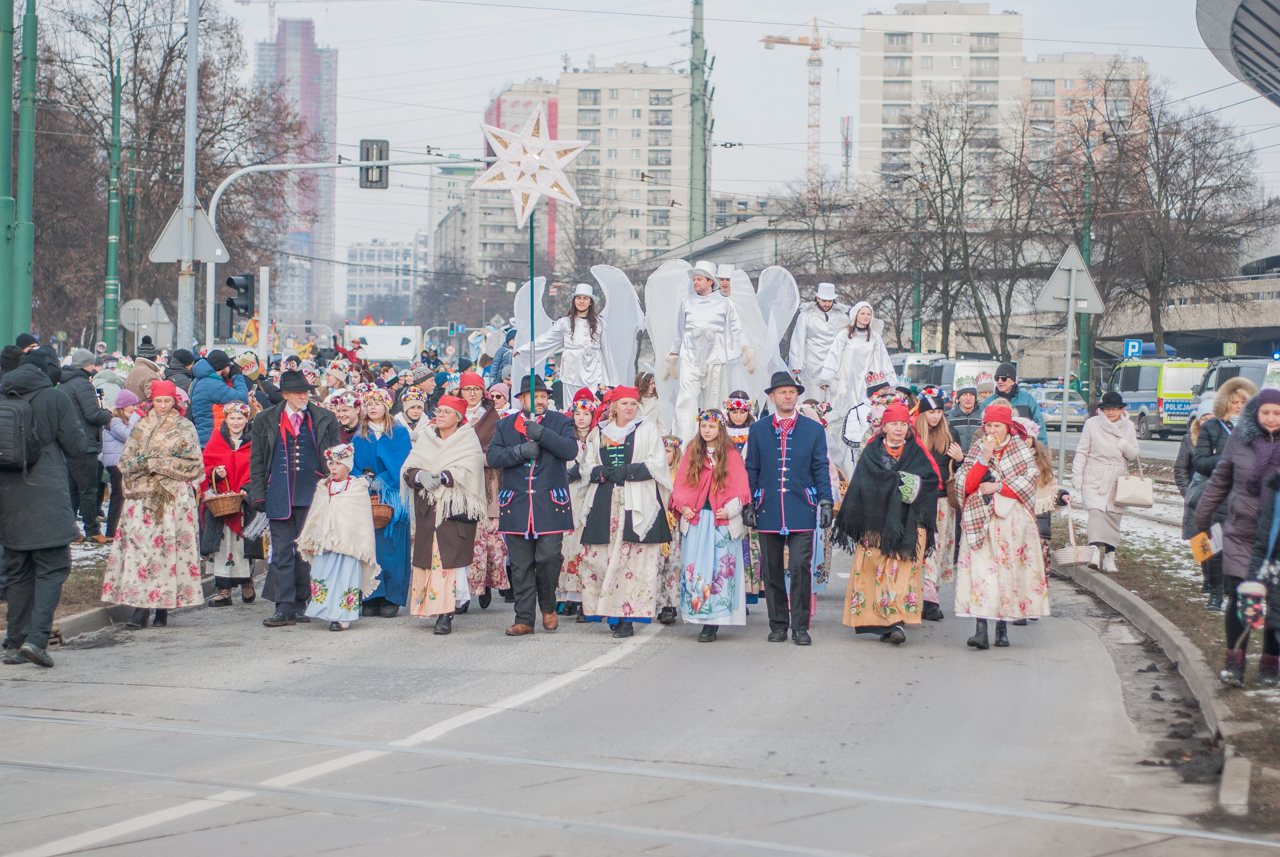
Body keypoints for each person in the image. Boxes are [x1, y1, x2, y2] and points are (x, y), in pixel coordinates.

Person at [0, 353, 92, 668]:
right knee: (52, 569)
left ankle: (13, 644)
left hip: (9, 500)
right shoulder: (54, 398)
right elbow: (78, 447)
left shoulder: (2, 397)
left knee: (18, 573)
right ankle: (36, 641)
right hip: (48, 497)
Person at [831, 401, 937, 646]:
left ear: (908, 428)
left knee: (900, 573)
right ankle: (881, 622)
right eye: (893, 424)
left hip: (907, 524)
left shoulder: (916, 452)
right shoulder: (871, 452)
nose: (899, 429)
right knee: (874, 572)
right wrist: (893, 482)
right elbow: (862, 485)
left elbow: (930, 481)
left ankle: (896, 621)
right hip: (875, 524)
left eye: (903, 424)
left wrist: (908, 483)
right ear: (884, 427)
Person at [101, 380, 205, 630]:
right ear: (151, 402)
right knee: (143, 552)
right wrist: (146, 465)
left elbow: (195, 465)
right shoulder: (141, 426)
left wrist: (160, 465)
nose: (162, 406)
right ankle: (141, 608)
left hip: (173, 498)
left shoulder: (184, 427)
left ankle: (162, 607)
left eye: (167, 401)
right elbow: (125, 463)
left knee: (168, 552)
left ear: (174, 402)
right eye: (158, 401)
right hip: (142, 498)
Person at [1196, 387, 1280, 686]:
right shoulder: (1239, 440)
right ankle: (1235, 662)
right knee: (1240, 596)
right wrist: (1202, 517)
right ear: (1256, 413)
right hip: (1241, 534)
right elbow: (1220, 480)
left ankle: (1271, 663)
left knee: (1275, 602)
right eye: (1266, 412)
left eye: (1277, 413)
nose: (1271, 419)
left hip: (1275, 540)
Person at [486, 374, 579, 636]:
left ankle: (548, 607)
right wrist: (518, 453)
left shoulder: (561, 422)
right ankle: (524, 618)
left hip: (550, 504)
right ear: (521, 399)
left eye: (543, 396)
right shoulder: (505, 426)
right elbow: (493, 457)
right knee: (521, 564)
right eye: (535, 396)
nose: (540, 401)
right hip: (516, 504)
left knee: (549, 557)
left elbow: (570, 451)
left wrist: (543, 435)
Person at [576, 386, 672, 638]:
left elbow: (657, 463)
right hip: (605, 500)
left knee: (631, 561)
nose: (629, 408)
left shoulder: (647, 428)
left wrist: (628, 471)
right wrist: (599, 473)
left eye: (633, 403)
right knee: (600, 557)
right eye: (624, 403)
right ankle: (610, 611)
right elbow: (587, 464)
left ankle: (627, 618)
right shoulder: (599, 431)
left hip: (636, 499)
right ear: (614, 406)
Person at [746, 372, 834, 646]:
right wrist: (749, 502)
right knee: (771, 570)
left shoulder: (813, 429)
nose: (787, 396)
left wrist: (826, 501)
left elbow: (820, 467)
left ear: (796, 396)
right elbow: (752, 468)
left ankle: (800, 626)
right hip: (768, 507)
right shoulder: (758, 428)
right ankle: (778, 625)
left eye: (791, 392)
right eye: (781, 392)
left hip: (801, 506)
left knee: (799, 568)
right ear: (771, 397)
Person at [249, 369, 342, 628]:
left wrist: (335, 488)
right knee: (280, 553)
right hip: (278, 494)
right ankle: (283, 607)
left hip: (313, 493)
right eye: (299, 393)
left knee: (307, 553)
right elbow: (256, 461)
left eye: (306, 392)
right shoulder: (265, 419)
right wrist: (258, 495)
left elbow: (336, 456)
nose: (304, 396)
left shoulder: (325, 417)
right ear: (286, 395)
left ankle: (303, 603)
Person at [953, 404, 1049, 649]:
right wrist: (984, 458)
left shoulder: (1020, 448)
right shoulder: (978, 447)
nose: (992, 430)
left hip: (1010, 520)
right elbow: (967, 483)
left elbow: (1029, 479)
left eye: (997, 425)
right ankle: (981, 631)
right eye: (988, 426)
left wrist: (999, 487)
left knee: (1007, 573)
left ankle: (1002, 630)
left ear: (1007, 426)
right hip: (980, 517)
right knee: (981, 573)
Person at [402, 394, 487, 634]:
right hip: (428, 511)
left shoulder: (467, 438)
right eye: (438, 411)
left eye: (446, 412)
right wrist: (421, 476)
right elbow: (409, 467)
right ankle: (430, 608)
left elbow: (471, 470)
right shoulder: (426, 438)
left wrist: (444, 476)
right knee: (428, 560)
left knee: (449, 562)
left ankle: (446, 614)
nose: (439, 415)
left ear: (458, 417)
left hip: (453, 512)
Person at [671, 410, 750, 640]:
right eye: (703, 426)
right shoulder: (692, 452)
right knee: (697, 566)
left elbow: (740, 488)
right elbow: (682, 484)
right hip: (697, 519)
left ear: (720, 428)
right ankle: (699, 615)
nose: (707, 430)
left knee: (719, 568)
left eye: (712, 427)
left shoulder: (731, 455)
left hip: (721, 520)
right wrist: (683, 506)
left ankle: (714, 622)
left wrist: (731, 509)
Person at [665, 260, 755, 441]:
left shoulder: (725, 303)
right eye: (694, 280)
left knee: (714, 403)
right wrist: (673, 355)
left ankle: (713, 445)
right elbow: (679, 332)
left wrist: (746, 348)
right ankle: (685, 447)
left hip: (716, 359)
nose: (695, 282)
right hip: (691, 359)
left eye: (699, 279)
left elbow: (737, 329)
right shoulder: (686, 303)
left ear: (709, 281)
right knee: (686, 402)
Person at [298, 444, 380, 631]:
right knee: (322, 575)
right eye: (331, 463)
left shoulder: (357, 488)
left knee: (344, 578)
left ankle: (342, 616)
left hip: (347, 545)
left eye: (338, 464)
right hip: (325, 545)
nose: (333, 468)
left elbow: (361, 521)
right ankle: (327, 611)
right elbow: (315, 516)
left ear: (348, 466)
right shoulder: (323, 487)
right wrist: (311, 539)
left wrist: (354, 542)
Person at [1193, 377, 1256, 610]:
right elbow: (1199, 462)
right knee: (1216, 547)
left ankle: (1238, 593)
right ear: (1225, 403)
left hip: (1247, 498)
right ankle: (1215, 593)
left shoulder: (1256, 430)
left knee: (1245, 549)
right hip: (1220, 496)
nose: (1239, 406)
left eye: (1243, 402)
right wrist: (1228, 458)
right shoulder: (1212, 426)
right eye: (1234, 402)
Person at [352, 388, 413, 618]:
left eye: (378, 402)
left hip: (393, 496)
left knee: (392, 545)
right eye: (369, 403)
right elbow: (352, 461)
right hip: (366, 496)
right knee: (370, 546)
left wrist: (384, 480)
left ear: (387, 406)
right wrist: (363, 478)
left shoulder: (398, 432)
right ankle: (370, 595)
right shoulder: (360, 434)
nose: (373, 407)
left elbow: (405, 462)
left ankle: (392, 597)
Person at [816, 301, 896, 473]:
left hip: (865, 385)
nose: (865, 317)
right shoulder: (844, 335)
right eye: (862, 313)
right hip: (845, 384)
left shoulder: (874, 337)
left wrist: (891, 382)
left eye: (868, 314)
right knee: (842, 423)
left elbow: (884, 359)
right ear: (855, 315)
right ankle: (837, 468)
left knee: (863, 421)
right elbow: (833, 356)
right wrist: (827, 378)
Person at [456, 371, 509, 608]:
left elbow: (499, 451)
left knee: (488, 539)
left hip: (488, 481)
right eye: (467, 389)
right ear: (460, 391)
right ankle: (463, 590)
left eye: (476, 389)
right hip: (459, 482)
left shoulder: (493, 416)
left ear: (482, 392)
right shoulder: (453, 414)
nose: (472, 393)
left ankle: (485, 583)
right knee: (463, 537)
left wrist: (478, 458)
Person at [1071, 391, 1140, 572]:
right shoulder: (1092, 424)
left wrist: (1126, 447)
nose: (1110, 413)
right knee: (1096, 513)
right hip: (1095, 474)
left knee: (1113, 516)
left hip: (1116, 477)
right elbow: (1082, 451)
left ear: (1121, 409)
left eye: (1115, 409)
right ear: (1102, 409)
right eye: (1107, 409)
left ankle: (1110, 554)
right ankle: (1094, 550)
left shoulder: (1129, 426)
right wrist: (1077, 475)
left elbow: (1134, 455)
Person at [521, 283, 620, 404]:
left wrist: (614, 382)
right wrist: (526, 350)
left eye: (585, 298)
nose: (581, 301)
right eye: (579, 298)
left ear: (590, 302)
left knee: (593, 406)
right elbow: (547, 339)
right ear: (574, 301)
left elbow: (608, 353)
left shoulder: (600, 325)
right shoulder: (565, 323)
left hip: (594, 372)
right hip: (572, 372)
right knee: (572, 406)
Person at [201, 401, 256, 607]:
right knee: (222, 545)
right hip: (221, 503)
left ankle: (246, 581)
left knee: (243, 544)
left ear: (246, 419)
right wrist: (215, 472)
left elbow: (257, 468)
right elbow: (206, 465)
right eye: (232, 418)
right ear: (225, 419)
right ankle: (223, 588)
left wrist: (248, 488)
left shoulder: (253, 442)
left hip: (243, 503)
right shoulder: (216, 440)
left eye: (240, 418)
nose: (236, 422)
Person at [915, 393, 963, 621]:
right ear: (923, 414)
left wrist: (961, 458)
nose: (935, 417)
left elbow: (964, 469)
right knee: (921, 550)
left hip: (944, 501)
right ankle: (923, 598)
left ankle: (931, 600)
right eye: (931, 412)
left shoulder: (951, 434)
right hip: (918, 500)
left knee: (940, 549)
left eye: (938, 412)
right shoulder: (913, 435)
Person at [59, 349, 112, 543]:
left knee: (72, 489)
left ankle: (70, 531)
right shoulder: (83, 384)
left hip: (68, 442)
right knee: (88, 489)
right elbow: (93, 415)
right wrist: (107, 413)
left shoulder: (63, 383)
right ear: (88, 365)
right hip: (84, 443)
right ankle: (92, 531)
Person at [558, 388, 599, 612]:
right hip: (570, 494)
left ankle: (587, 597)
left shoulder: (598, 436)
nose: (581, 418)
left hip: (590, 492)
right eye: (577, 414)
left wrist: (582, 471)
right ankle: (569, 596)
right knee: (569, 544)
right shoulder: (566, 437)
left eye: (586, 413)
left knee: (588, 544)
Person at [1179, 400, 1217, 605]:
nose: (1209, 421)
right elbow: (1181, 470)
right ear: (1199, 421)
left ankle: (1217, 579)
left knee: (1218, 539)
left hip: (1221, 498)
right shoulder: (1188, 440)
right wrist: (1189, 494)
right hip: (1197, 499)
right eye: (1205, 418)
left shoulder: (1224, 438)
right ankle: (1207, 578)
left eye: (1213, 417)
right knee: (1200, 539)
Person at [787, 282, 850, 397]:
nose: (826, 304)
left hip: (834, 365)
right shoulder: (806, 315)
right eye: (823, 300)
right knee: (813, 399)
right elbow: (798, 339)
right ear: (817, 298)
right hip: (812, 364)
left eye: (829, 301)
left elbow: (846, 342)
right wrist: (796, 364)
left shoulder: (841, 316)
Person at [190, 349, 250, 445]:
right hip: (211, 440)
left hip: (205, 438)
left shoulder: (201, 379)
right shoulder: (212, 384)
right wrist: (237, 376)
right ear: (223, 367)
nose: (230, 370)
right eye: (229, 367)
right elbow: (242, 399)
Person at [102, 389, 140, 541]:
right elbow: (128, 435)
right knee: (118, 496)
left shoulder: (120, 419)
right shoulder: (115, 420)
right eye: (133, 405)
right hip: (116, 463)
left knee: (121, 496)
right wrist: (135, 420)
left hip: (120, 461)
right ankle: (112, 532)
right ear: (124, 406)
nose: (135, 408)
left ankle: (117, 530)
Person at [981, 363, 1047, 445]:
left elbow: (1039, 425)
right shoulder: (988, 402)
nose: (999, 381)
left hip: (1024, 449)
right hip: (997, 449)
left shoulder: (1027, 399)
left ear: (1012, 381)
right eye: (997, 378)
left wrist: (1041, 451)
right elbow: (981, 429)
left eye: (1004, 379)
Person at [655, 436, 683, 625]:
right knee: (656, 564)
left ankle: (670, 605)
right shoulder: (652, 474)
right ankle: (656, 602)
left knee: (673, 564)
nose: (664, 456)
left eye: (668, 451)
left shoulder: (681, 476)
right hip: (655, 522)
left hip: (674, 525)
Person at [947, 384, 983, 453]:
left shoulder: (983, 416)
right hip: (955, 459)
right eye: (965, 394)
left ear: (975, 398)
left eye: (971, 395)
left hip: (978, 458)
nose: (968, 398)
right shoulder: (949, 417)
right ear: (959, 398)